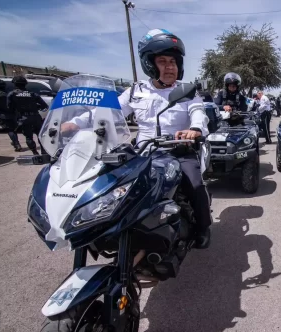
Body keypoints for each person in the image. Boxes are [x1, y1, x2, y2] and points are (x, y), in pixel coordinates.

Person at [62, 29, 212, 248]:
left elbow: (198, 112)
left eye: (173, 61)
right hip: (143, 152)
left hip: (179, 150)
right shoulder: (136, 90)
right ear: (150, 64)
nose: (170, 66)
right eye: (162, 61)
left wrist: (195, 129)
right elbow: (109, 111)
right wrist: (75, 123)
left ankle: (203, 227)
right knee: (112, 187)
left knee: (195, 185)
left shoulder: (187, 90)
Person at [7, 76, 49, 155]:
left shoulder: (12, 94)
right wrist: (36, 107)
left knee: (29, 137)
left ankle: (35, 153)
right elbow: (44, 106)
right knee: (41, 135)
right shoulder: (32, 94)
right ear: (25, 84)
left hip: (23, 118)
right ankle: (44, 152)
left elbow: (9, 108)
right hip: (36, 117)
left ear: (15, 84)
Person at [0, 79, 22, 151]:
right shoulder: (7, 93)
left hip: (2, 114)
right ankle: (15, 142)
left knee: (10, 130)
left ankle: (16, 144)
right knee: (13, 129)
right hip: (12, 114)